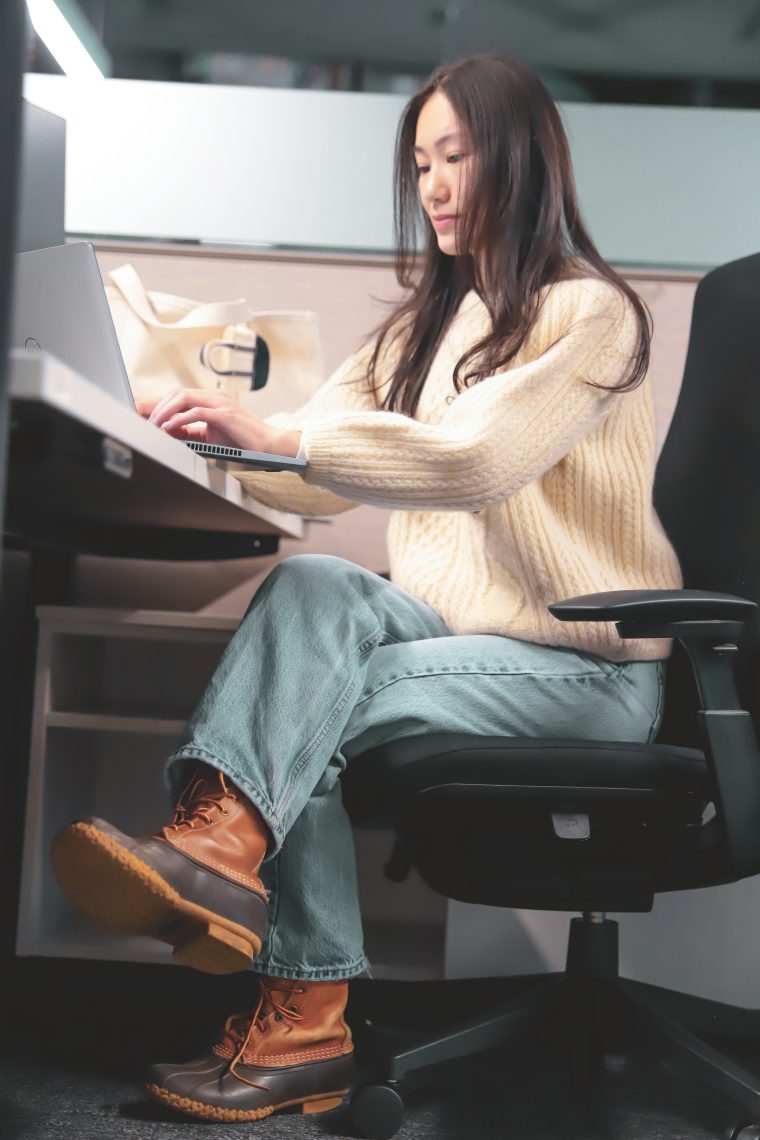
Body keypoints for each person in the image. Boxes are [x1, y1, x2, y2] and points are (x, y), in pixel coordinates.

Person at [51, 52, 683, 1124]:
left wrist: (287, 436)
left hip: (585, 667)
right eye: (420, 161)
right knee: (310, 588)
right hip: (459, 640)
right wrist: (199, 421)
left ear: (518, 161)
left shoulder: (590, 316)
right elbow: (311, 448)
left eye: (456, 155)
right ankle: (215, 849)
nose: (432, 184)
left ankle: (296, 1011)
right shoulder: (419, 330)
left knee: (307, 715)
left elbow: (472, 458)